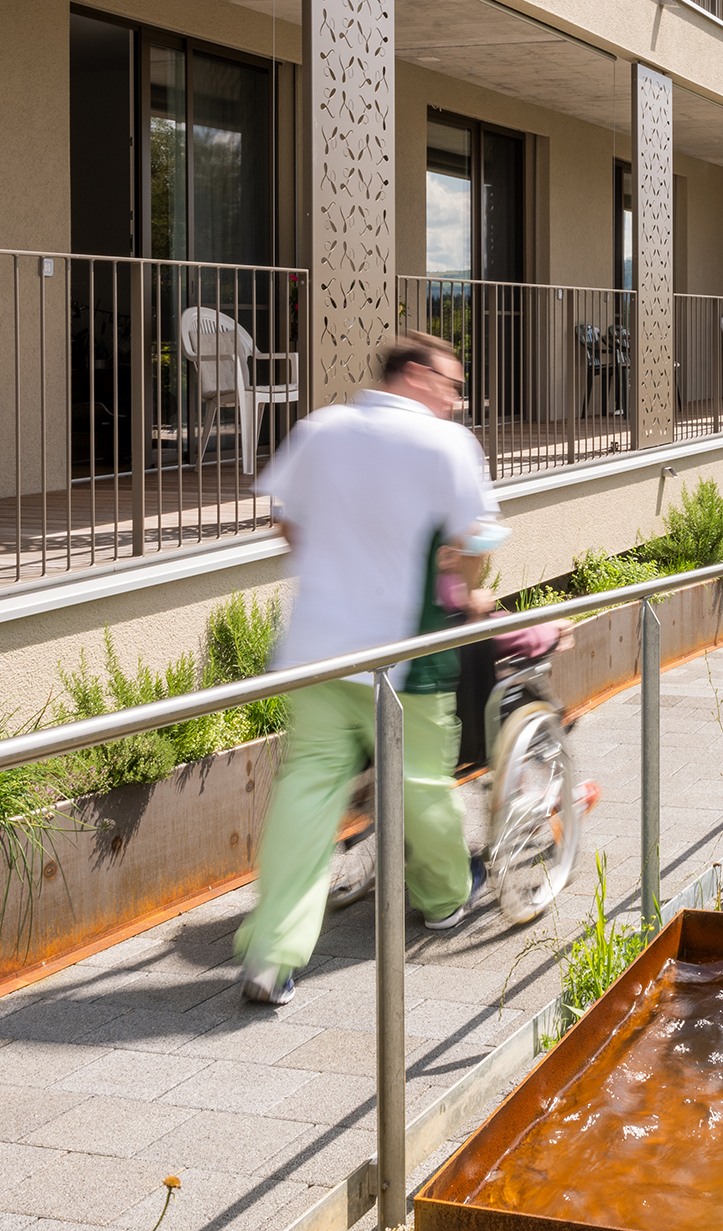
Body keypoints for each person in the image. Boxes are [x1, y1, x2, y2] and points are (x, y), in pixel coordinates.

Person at [232, 332, 495, 1006]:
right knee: (419, 782)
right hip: (402, 654)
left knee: (308, 789)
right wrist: (467, 588)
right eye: (450, 383)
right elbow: (475, 543)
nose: (456, 399)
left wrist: (340, 567)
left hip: (320, 645)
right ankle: (443, 897)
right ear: (414, 374)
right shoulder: (446, 445)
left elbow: (286, 523)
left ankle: (272, 950)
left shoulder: (322, 427)